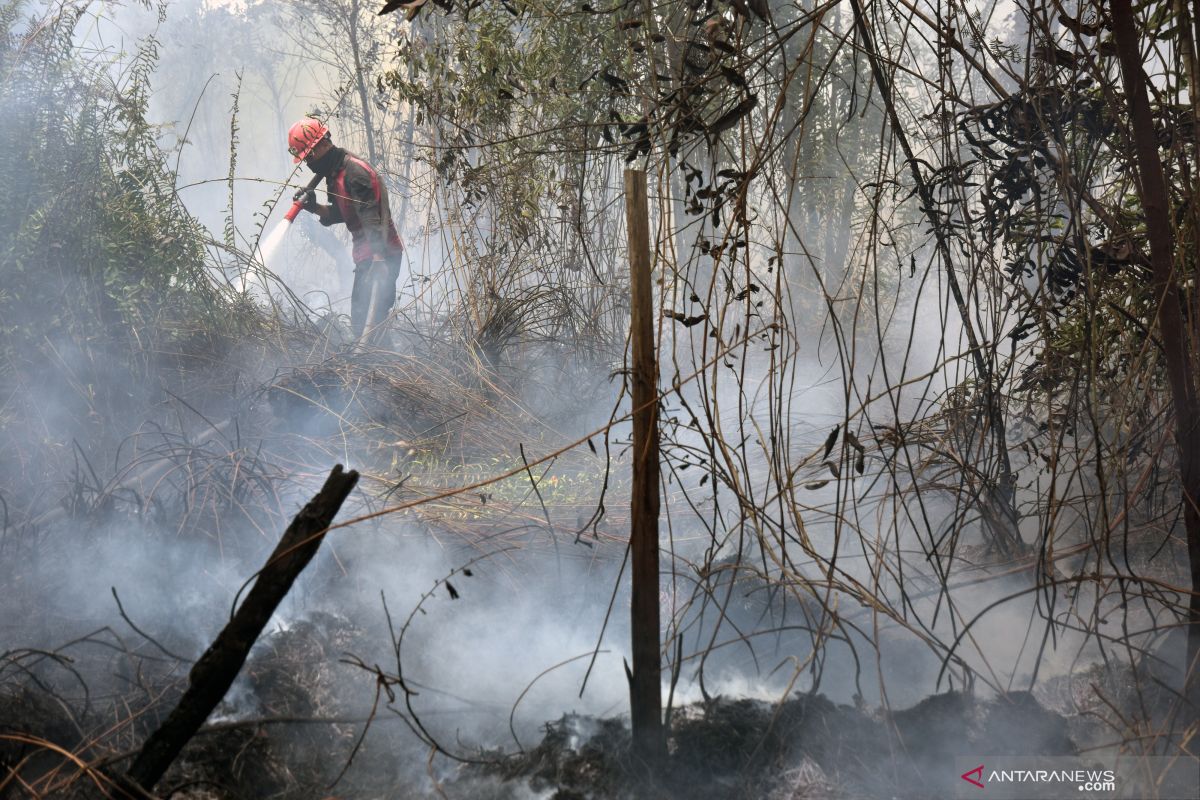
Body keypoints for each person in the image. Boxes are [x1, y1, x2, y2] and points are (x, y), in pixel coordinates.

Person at [287, 117, 404, 342]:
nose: (309, 163)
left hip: (381, 255)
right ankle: (381, 370)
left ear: (323, 144)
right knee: (366, 325)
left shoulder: (354, 172)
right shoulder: (336, 174)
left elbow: (371, 217)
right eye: (305, 159)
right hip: (368, 255)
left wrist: (379, 260)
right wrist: (314, 207)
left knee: (369, 325)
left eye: (310, 156)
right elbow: (344, 213)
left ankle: (384, 369)